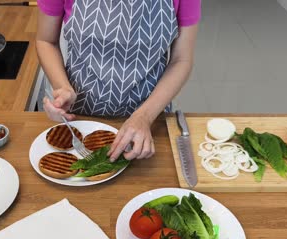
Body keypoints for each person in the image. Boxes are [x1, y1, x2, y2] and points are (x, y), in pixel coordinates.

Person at [36, 0, 201, 162]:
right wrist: (62, 87)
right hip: (79, 117)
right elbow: (46, 41)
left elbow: (181, 59)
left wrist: (144, 117)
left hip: (149, 121)